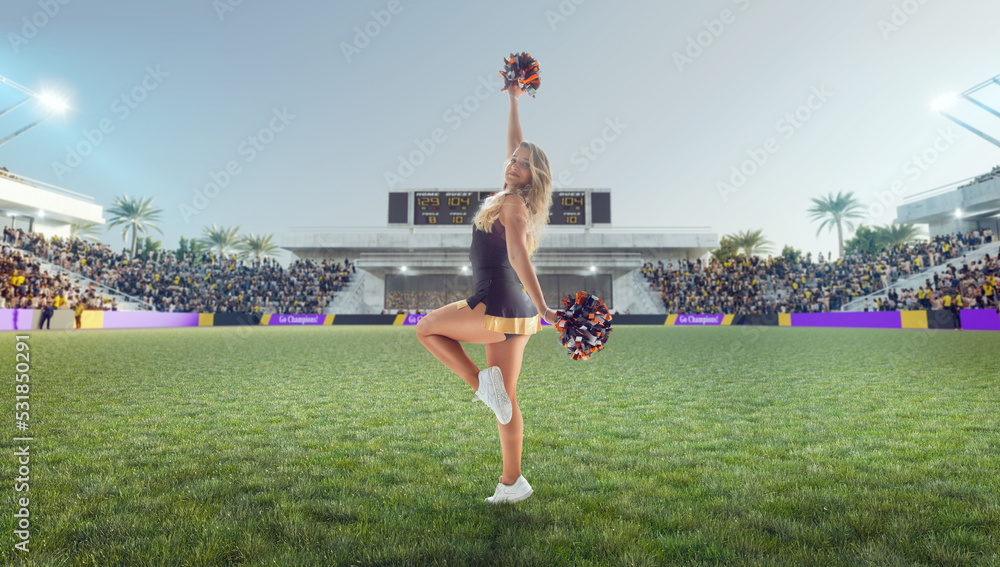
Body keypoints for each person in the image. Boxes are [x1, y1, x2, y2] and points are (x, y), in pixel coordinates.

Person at [416, 81, 557, 505]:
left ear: (535, 176)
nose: (513, 163)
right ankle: (512, 483)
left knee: (427, 329)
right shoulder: (518, 198)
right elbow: (518, 142)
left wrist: (547, 305)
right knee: (507, 403)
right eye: (513, 159)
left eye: (523, 163)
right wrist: (514, 100)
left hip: (495, 302)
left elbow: (517, 255)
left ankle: (480, 383)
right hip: (517, 312)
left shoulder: (514, 205)